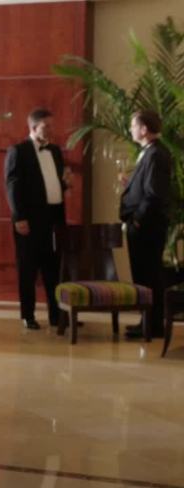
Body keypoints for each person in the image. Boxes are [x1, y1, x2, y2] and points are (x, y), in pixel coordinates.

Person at [5, 108, 71, 330]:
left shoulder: (55, 151)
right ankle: (28, 315)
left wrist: (65, 185)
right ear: (34, 127)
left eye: (52, 125)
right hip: (30, 220)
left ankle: (56, 315)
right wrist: (19, 217)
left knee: (54, 267)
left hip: (54, 217)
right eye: (46, 126)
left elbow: (53, 183)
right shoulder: (18, 151)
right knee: (28, 268)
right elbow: (12, 186)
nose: (51, 129)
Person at [120, 110, 172, 339]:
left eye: (133, 125)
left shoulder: (155, 154)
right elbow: (147, 186)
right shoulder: (151, 152)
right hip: (144, 225)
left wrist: (138, 220)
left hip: (147, 227)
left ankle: (152, 325)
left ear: (144, 129)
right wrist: (130, 185)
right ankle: (148, 322)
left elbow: (153, 194)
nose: (130, 129)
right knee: (143, 276)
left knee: (148, 276)